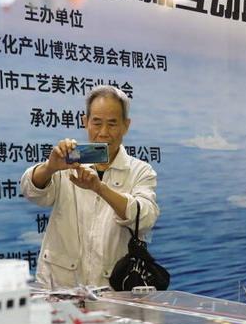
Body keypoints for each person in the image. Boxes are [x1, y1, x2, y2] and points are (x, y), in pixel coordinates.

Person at [20, 85, 159, 288]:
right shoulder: (67, 160)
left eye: (112, 124)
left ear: (126, 125)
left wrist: (99, 188)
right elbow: (31, 191)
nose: (103, 133)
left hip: (112, 291)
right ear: (85, 122)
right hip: (59, 287)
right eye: (97, 123)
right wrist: (50, 167)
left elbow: (145, 218)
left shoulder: (140, 171)